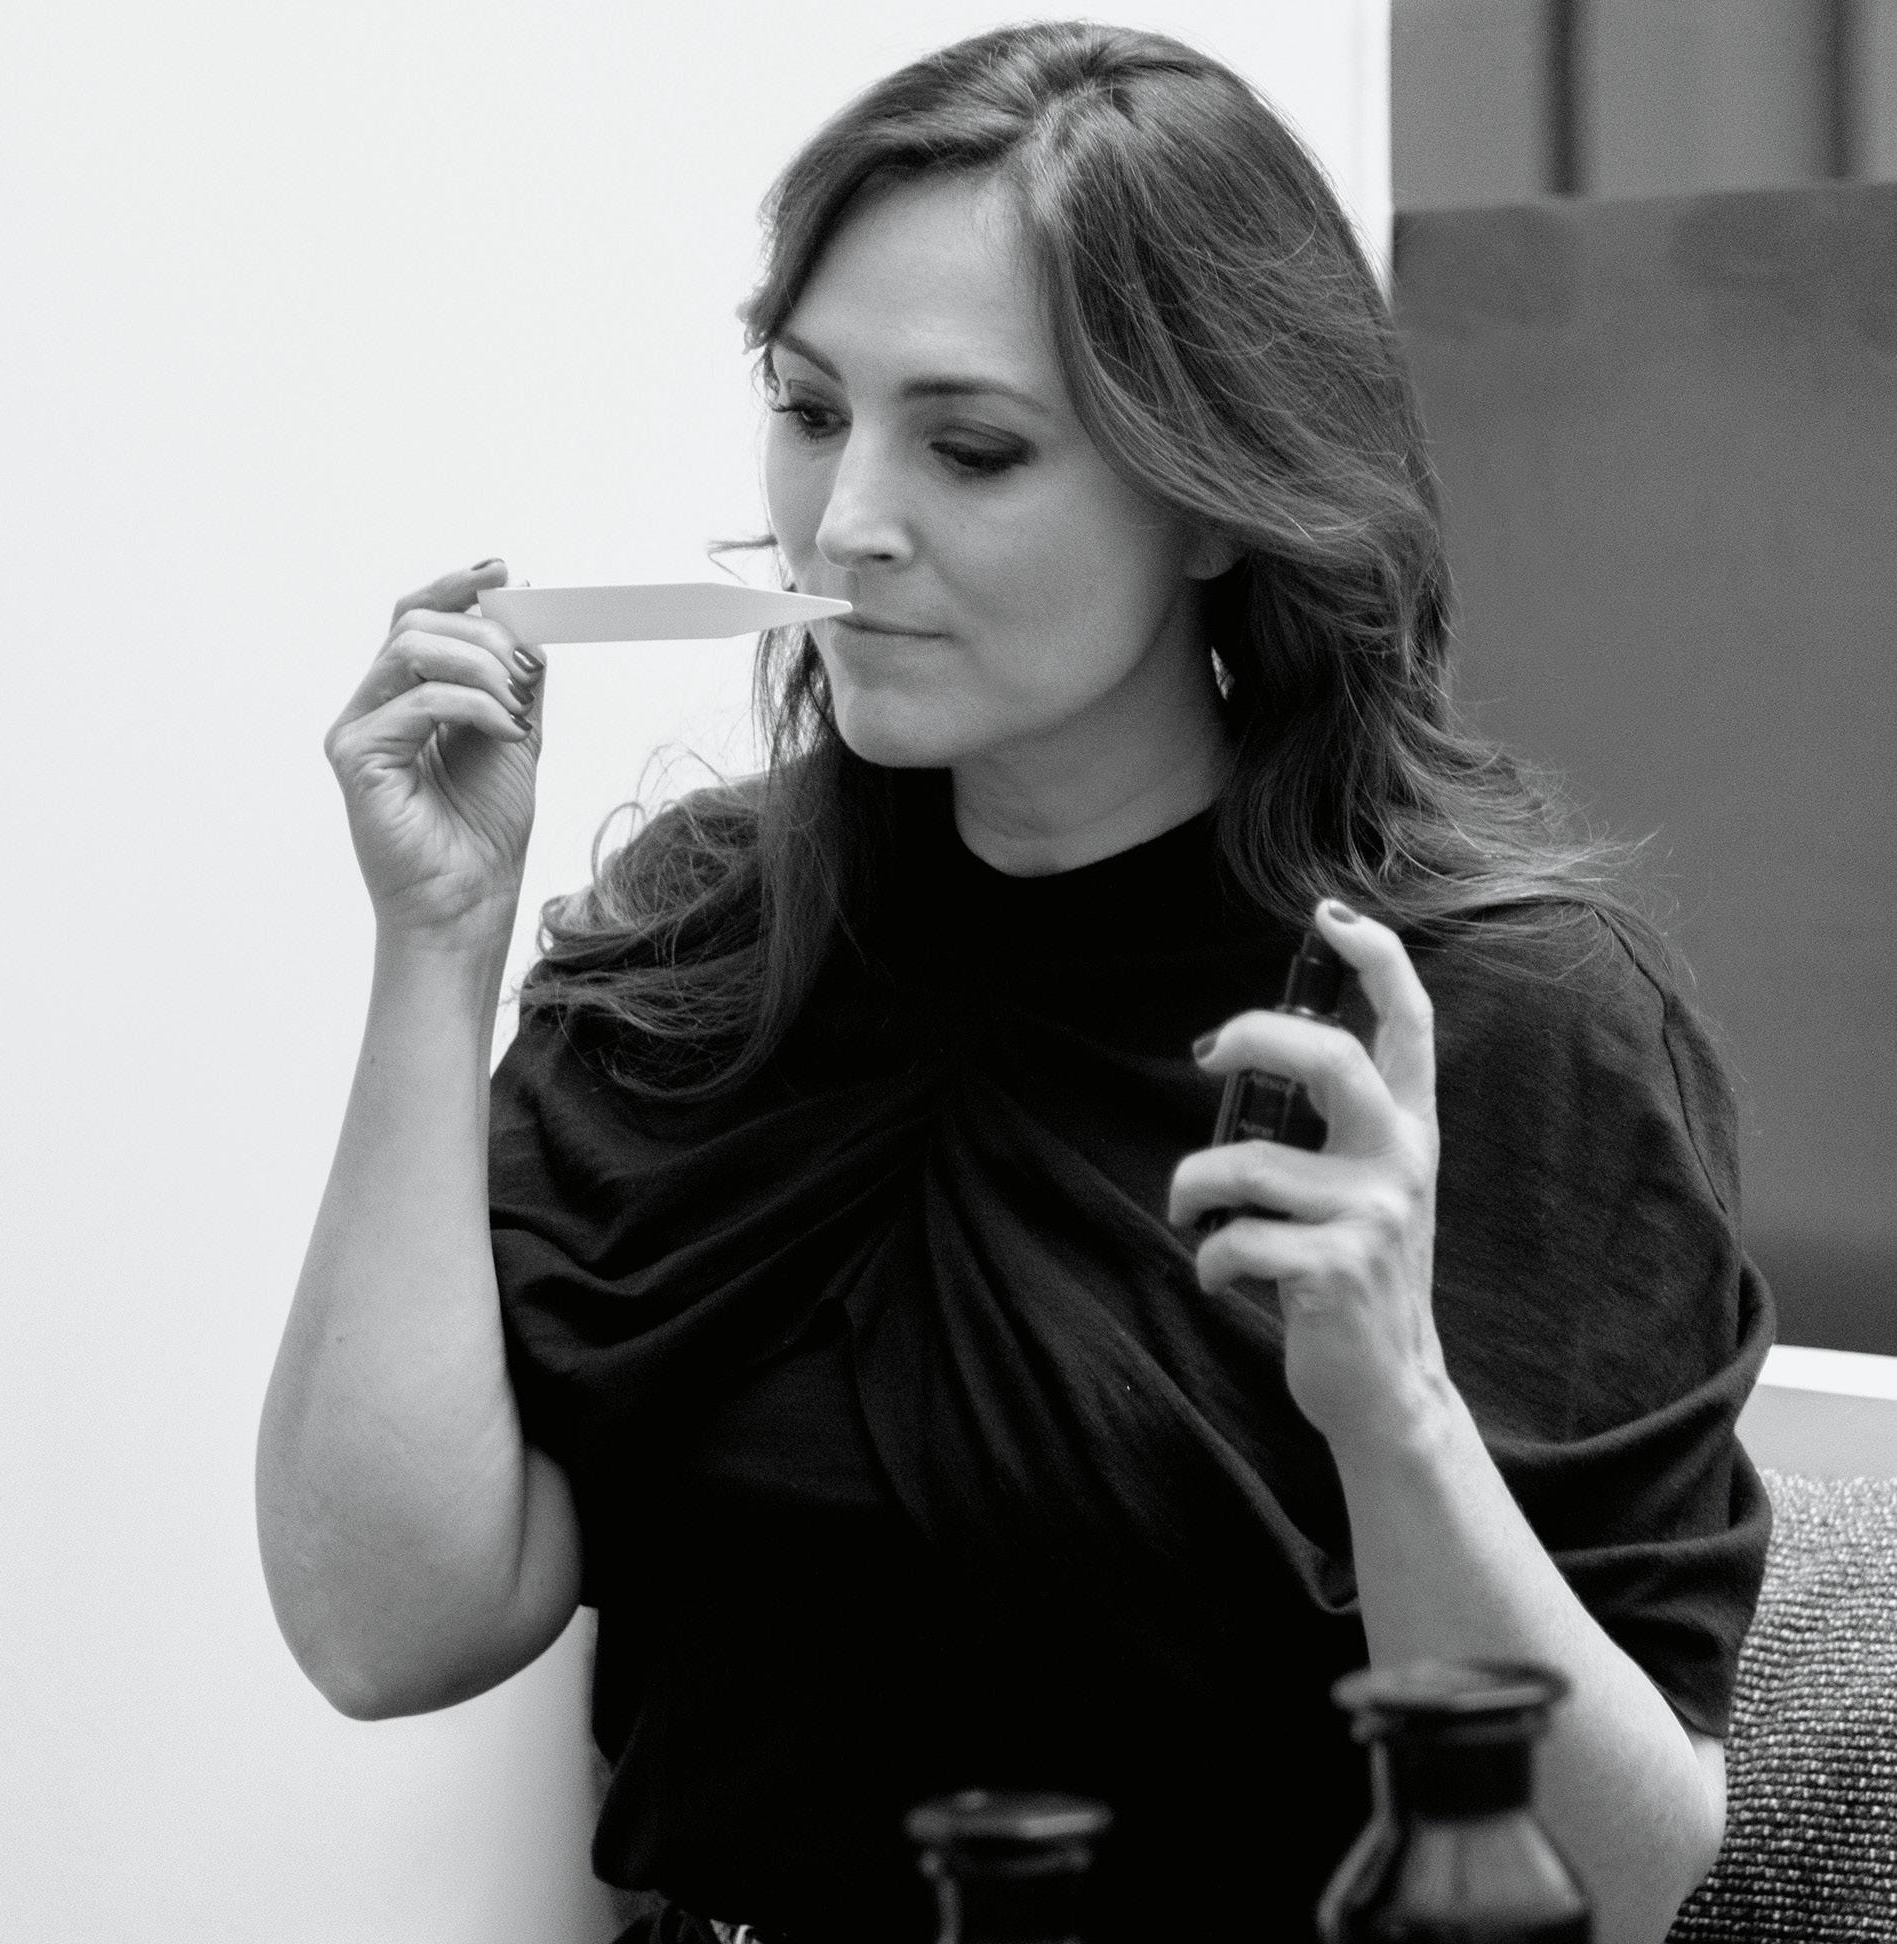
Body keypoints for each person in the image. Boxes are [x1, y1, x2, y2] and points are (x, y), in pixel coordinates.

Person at [257, 22, 1772, 1944]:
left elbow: (1625, 1887)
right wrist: (435, 948)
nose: (848, 523)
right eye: (811, 411)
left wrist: (1394, 1407)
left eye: (970, 447)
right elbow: (386, 1628)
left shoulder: (1492, 1019)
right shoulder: (705, 940)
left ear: (1215, 492)